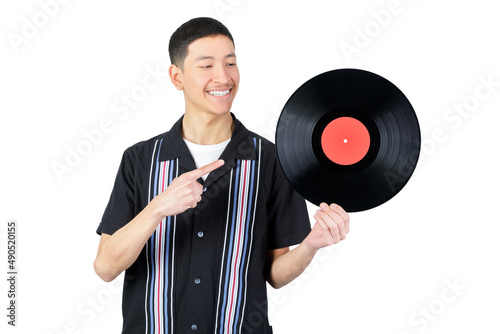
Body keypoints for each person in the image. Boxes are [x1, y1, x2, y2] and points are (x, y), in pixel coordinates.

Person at [94, 17, 350, 334]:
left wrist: (311, 245)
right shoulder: (140, 159)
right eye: (206, 66)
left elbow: (275, 273)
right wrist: (159, 207)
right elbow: (105, 267)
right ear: (177, 77)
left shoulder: (272, 160)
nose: (223, 77)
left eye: (231, 63)